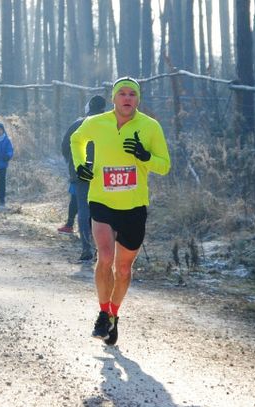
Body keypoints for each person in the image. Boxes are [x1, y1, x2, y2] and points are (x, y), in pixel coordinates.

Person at [70, 77, 170, 345]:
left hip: (134, 207)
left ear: (138, 99)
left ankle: (113, 315)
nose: (127, 98)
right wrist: (81, 165)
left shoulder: (150, 127)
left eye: (132, 94)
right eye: (122, 94)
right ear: (113, 98)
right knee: (104, 257)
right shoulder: (96, 123)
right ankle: (103, 314)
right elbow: (76, 140)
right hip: (101, 200)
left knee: (123, 269)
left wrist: (144, 156)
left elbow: (164, 166)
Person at [58, 95, 106, 261]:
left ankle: (86, 247)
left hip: (80, 173)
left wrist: (72, 163)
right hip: (103, 173)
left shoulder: (77, 124)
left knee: (84, 209)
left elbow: (65, 147)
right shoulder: (109, 125)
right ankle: (103, 248)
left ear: (88, 108)